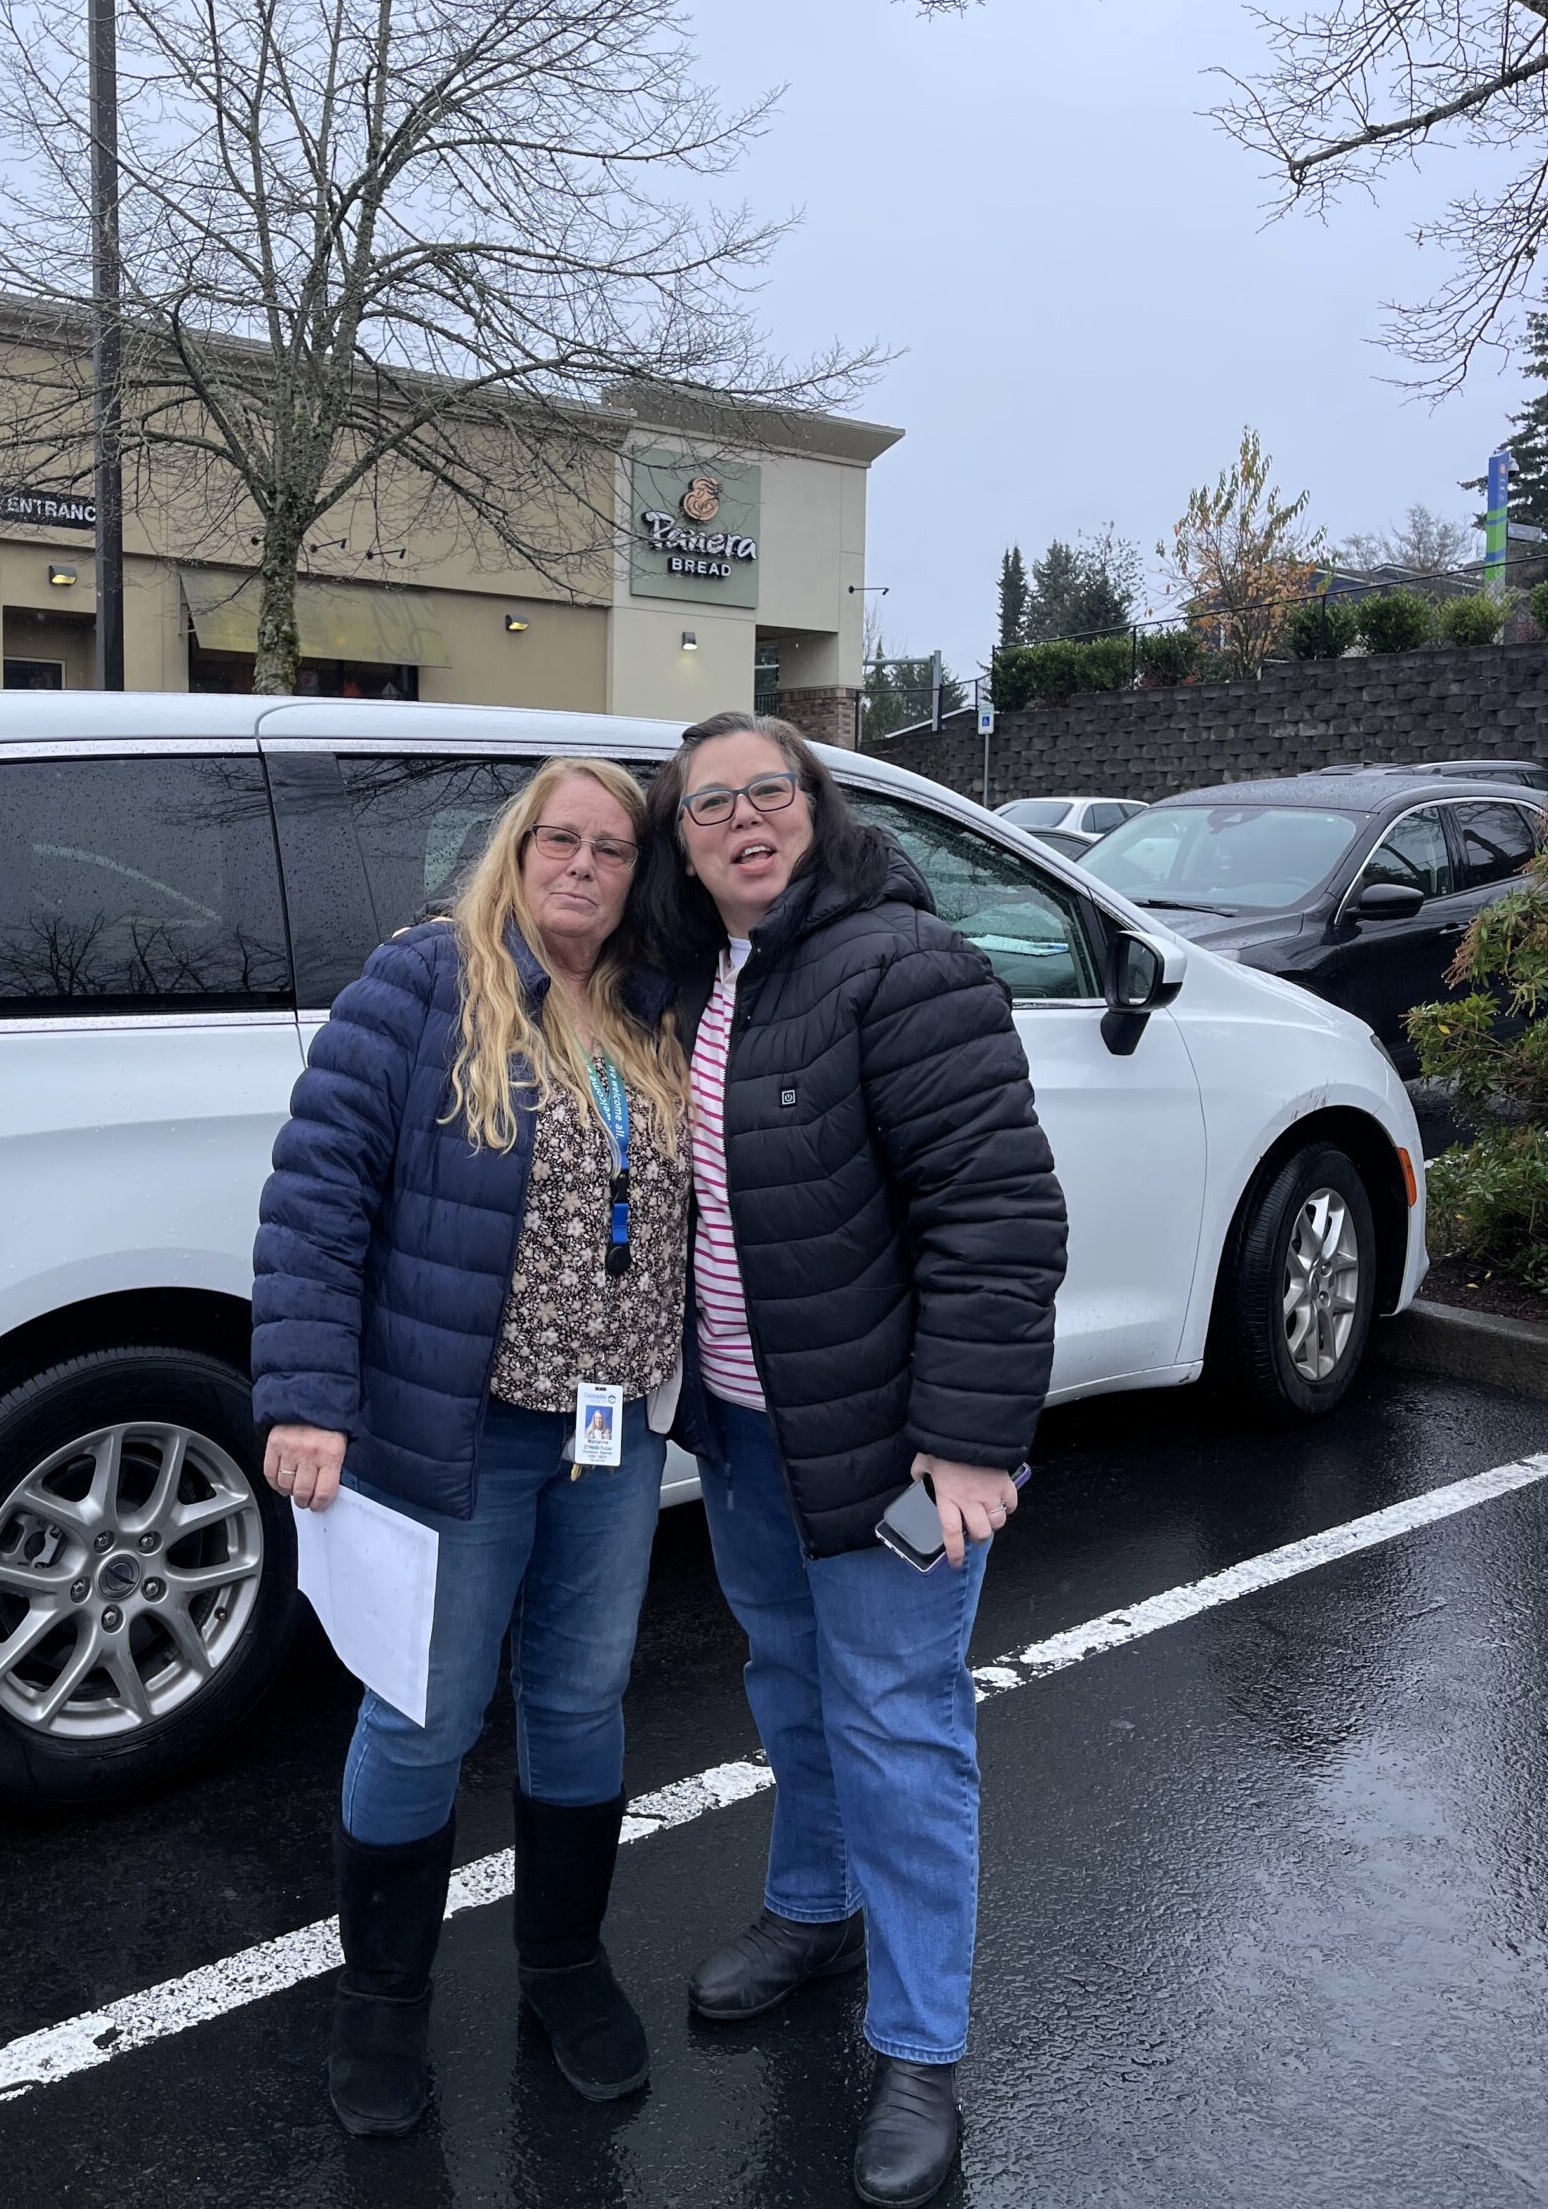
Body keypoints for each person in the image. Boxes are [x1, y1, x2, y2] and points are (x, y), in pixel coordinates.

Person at [638, 712, 1069, 2209]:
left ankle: (920, 2047)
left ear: (814, 808)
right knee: (792, 1684)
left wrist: (968, 1442)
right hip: (754, 1429)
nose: (745, 820)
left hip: (889, 1444)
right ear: (680, 842)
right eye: (712, 807)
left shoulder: (902, 965)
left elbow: (999, 1214)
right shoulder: (702, 971)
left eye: (770, 792)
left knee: (899, 1724)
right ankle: (811, 1910)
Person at [252, 759, 689, 2138]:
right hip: (459, 1428)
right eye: (557, 838)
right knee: (424, 1713)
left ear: (636, 874)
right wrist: (307, 1394)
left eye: (611, 849)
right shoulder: (423, 984)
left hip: (612, 1431)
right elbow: (317, 1194)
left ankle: (562, 1957)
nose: (581, 865)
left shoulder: (650, 1008)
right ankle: (382, 1998)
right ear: (517, 848)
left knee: (580, 1700)